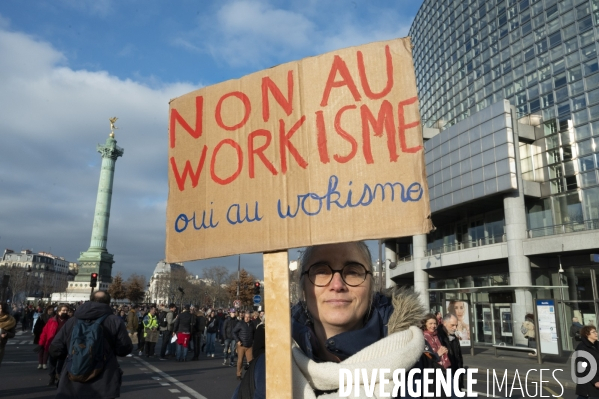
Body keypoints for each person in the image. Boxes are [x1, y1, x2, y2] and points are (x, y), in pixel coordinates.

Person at [232, 241, 427, 398]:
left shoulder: (421, 370)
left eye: (352, 271)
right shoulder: (264, 372)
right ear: (303, 289)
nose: (337, 284)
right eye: (321, 271)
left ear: (371, 286)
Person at [49, 290, 132, 399]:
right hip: (103, 378)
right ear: (108, 303)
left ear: (91, 299)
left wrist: (74, 355)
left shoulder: (73, 320)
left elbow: (55, 348)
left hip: (73, 377)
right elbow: (124, 349)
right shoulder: (114, 321)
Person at [39, 304, 70, 385]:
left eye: (66, 310)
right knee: (52, 362)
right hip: (53, 345)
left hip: (64, 345)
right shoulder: (52, 320)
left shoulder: (70, 321)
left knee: (61, 363)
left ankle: (59, 376)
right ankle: (52, 376)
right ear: (58, 311)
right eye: (63, 310)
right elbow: (45, 332)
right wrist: (41, 343)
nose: (65, 312)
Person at [437, 313, 464, 394]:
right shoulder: (438, 337)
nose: (455, 328)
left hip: (455, 373)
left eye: (456, 325)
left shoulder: (453, 337)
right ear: (444, 323)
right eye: (452, 325)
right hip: (444, 376)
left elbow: (459, 358)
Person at [574, 325, 599, 399]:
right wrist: (595, 381)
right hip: (588, 382)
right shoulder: (582, 348)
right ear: (587, 334)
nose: (596, 333)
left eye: (596, 331)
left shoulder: (596, 345)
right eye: (593, 332)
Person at [232, 311, 255, 380]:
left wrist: (253, 341)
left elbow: (254, 333)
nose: (247, 318)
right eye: (246, 317)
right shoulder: (240, 323)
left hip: (249, 345)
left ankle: (249, 376)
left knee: (250, 362)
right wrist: (237, 341)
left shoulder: (252, 324)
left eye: (248, 317)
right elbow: (234, 332)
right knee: (240, 360)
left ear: (250, 318)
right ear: (244, 317)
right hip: (241, 345)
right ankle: (239, 374)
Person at [0, 302, 17, 368]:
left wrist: (6, 334)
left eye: (1, 308)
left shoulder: (10, 320)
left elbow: (13, 334)